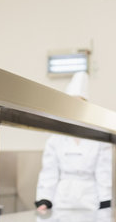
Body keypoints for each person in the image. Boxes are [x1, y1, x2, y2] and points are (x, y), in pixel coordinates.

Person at [35, 72, 112, 211]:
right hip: (62, 201)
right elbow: (49, 172)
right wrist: (44, 199)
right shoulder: (55, 139)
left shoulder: (99, 137)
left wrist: (106, 201)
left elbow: (104, 173)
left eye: (80, 103)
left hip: (90, 200)